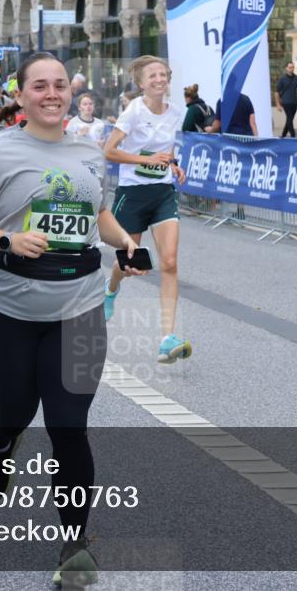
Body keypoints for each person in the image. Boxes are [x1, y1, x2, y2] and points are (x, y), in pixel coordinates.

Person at [0, 52, 144, 589]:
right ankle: (2, 444)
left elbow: (97, 215)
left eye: (60, 84)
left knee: (68, 425)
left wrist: (125, 242)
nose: (52, 93)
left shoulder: (88, 152)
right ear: (22, 93)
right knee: (15, 409)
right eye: (40, 85)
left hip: (79, 308)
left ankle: (75, 545)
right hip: (10, 307)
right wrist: (7, 238)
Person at [103, 55, 192, 363]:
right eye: (152, 75)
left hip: (163, 193)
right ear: (141, 83)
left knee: (169, 262)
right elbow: (109, 151)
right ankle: (111, 288)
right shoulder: (133, 112)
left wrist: (174, 165)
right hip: (133, 193)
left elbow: (165, 151)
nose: (159, 79)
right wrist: (146, 161)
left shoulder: (176, 112)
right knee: (129, 263)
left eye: (162, 74)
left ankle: (167, 338)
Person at [275, 61, 297, 138]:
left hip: (294, 103)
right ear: (286, 68)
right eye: (290, 67)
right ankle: (293, 136)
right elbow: (276, 92)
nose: (291, 69)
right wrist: (278, 104)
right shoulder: (282, 79)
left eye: (292, 67)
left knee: (289, 119)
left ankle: (283, 135)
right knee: (289, 119)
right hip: (286, 103)